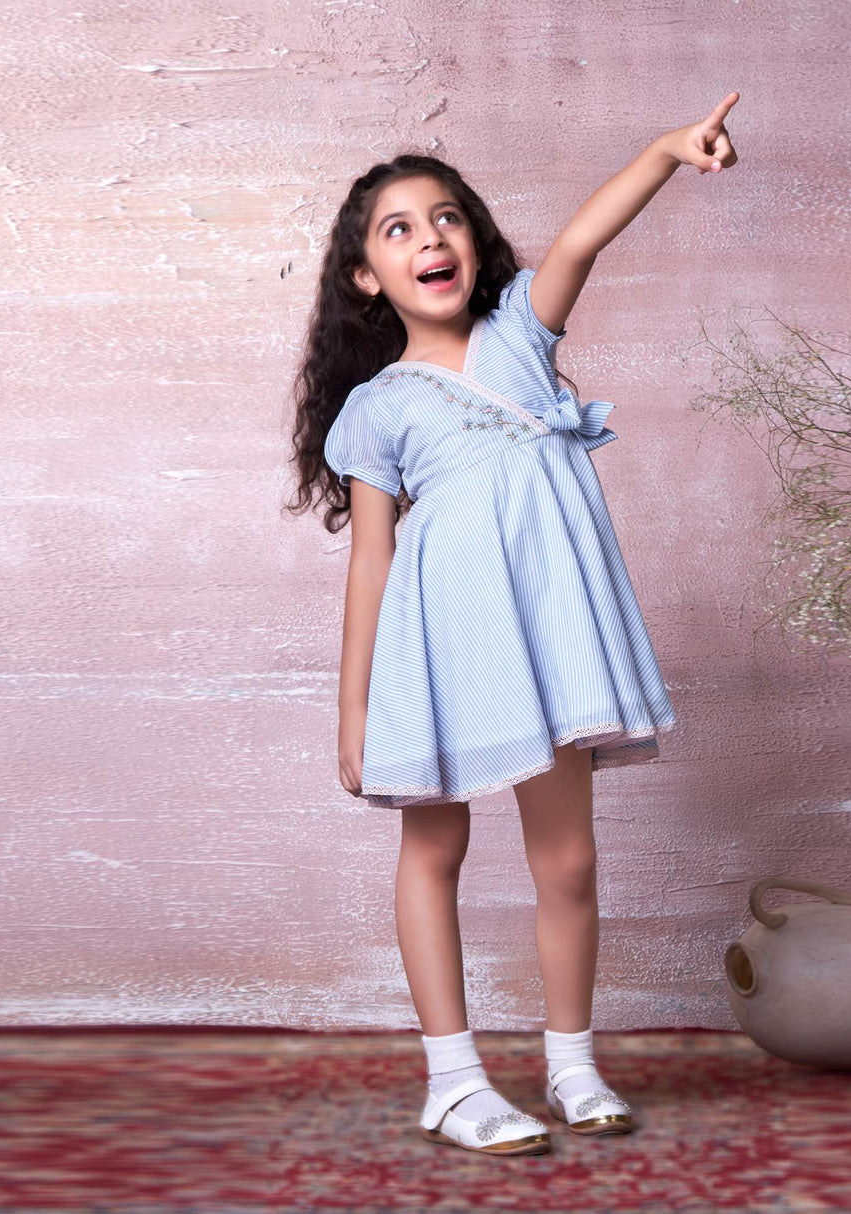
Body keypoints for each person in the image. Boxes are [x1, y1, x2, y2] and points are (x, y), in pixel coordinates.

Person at [287, 92, 739, 1157]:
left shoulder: (519, 333)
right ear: (365, 276)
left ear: (474, 240)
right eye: (397, 229)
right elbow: (371, 562)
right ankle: (453, 1081)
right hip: (440, 645)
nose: (428, 239)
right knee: (435, 842)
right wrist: (353, 713)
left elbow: (582, 236)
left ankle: (571, 1062)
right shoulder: (378, 407)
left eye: (444, 217)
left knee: (568, 859)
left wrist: (664, 150)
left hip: (551, 635)